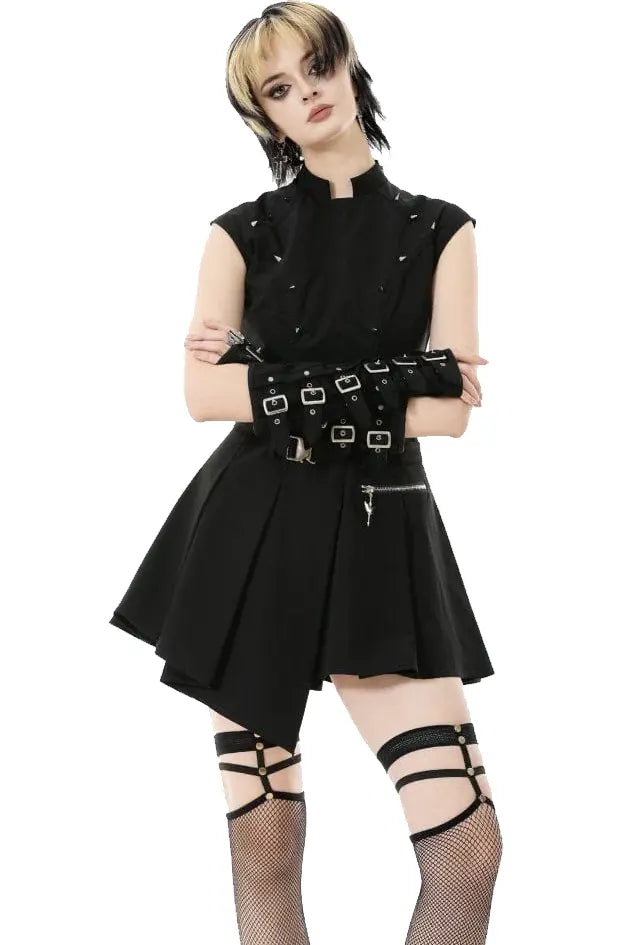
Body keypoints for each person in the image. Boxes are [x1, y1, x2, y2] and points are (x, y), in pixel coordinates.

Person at [109, 2, 503, 941]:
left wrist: (273, 379)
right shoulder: (238, 232)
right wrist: (394, 377)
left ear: (348, 64)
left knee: (468, 846)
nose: (307, 94)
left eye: (316, 67)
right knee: (268, 842)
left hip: (383, 528)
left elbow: (450, 413)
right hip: (253, 530)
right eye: (279, 90)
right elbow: (203, 397)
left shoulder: (443, 229)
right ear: (267, 118)